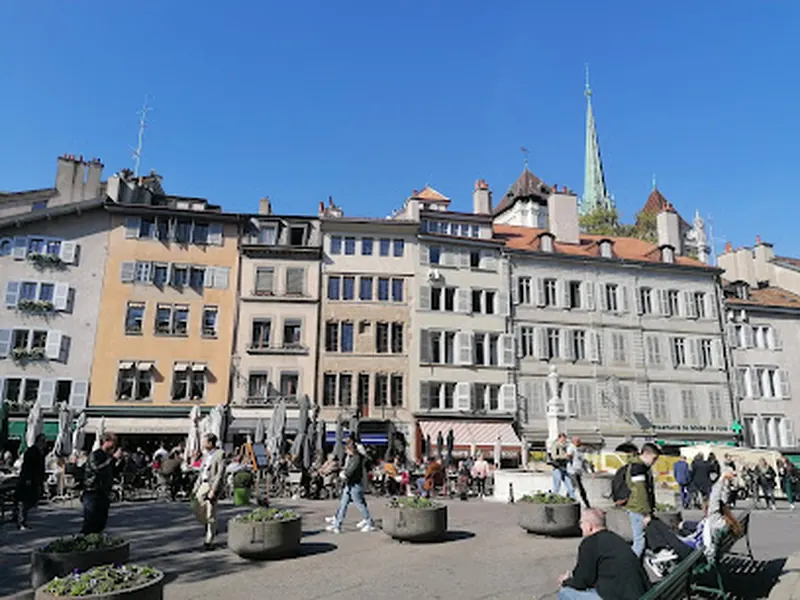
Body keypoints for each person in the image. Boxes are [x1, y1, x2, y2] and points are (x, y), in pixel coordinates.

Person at [557, 508, 650, 600]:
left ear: (589, 526)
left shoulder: (590, 543)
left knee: (565, 592)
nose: (580, 526)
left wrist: (566, 581)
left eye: (581, 523)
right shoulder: (615, 539)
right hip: (639, 594)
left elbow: (582, 581)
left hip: (620, 596)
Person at [326, 438, 375, 533]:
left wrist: (344, 474)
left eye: (347, 450)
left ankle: (369, 522)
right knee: (343, 504)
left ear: (350, 450)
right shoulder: (353, 458)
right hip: (349, 484)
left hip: (355, 485)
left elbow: (352, 470)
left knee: (359, 504)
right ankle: (337, 525)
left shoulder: (356, 458)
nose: (346, 452)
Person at [625, 442, 660, 558]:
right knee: (639, 542)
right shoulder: (638, 468)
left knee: (641, 541)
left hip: (636, 507)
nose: (654, 462)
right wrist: (646, 513)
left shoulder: (638, 466)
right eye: (654, 458)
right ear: (646, 454)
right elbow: (641, 492)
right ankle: (630, 566)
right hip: (638, 509)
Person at [192, 433, 225, 549]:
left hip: (211, 485)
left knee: (211, 511)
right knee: (198, 507)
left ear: (210, 443)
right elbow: (202, 472)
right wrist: (196, 487)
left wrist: (213, 490)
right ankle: (209, 525)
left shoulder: (220, 454)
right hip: (203, 484)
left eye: (204, 442)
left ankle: (209, 539)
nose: (203, 444)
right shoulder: (206, 455)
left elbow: (219, 474)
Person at [82, 432, 118, 534]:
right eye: (113, 443)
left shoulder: (107, 456)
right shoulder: (95, 454)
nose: (114, 446)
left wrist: (119, 461)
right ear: (106, 442)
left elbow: (112, 471)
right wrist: (113, 459)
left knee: (101, 521)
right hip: (92, 491)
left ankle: (96, 543)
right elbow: (96, 469)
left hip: (104, 492)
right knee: (90, 522)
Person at [13, 434, 47, 530]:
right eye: (43, 441)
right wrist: (28, 479)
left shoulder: (41, 452)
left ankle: (18, 516)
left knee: (33, 499)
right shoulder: (32, 451)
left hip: (35, 479)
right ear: (38, 441)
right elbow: (27, 466)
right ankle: (20, 521)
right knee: (25, 500)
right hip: (28, 479)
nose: (45, 443)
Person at [567, 436, 590, 508]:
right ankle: (587, 504)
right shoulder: (571, 447)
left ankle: (567, 500)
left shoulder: (578, 449)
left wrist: (587, 470)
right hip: (573, 471)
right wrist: (571, 466)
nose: (580, 442)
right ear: (574, 441)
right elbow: (569, 457)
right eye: (578, 441)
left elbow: (582, 461)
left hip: (578, 471)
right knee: (580, 487)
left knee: (572, 487)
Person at [550, 433, 574, 498]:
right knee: (557, 487)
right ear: (559, 438)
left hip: (564, 468)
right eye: (563, 439)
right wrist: (565, 456)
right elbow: (554, 456)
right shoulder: (555, 445)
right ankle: (553, 500)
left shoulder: (565, 446)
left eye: (565, 439)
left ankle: (573, 500)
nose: (564, 440)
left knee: (570, 487)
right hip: (557, 468)